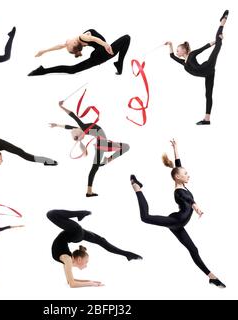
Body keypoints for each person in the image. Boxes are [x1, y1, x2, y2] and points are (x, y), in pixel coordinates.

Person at [130, 139, 226, 288]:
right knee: (145, 217)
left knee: (193, 250)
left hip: (178, 224)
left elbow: (179, 167)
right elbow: (186, 198)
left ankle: (211, 277)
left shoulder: (182, 183)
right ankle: (137, 187)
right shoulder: (179, 191)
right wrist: (196, 206)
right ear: (178, 177)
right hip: (175, 221)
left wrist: (176, 149)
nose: (188, 175)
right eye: (186, 174)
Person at [49, 101, 130, 197]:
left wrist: (57, 124)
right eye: (75, 133)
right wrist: (61, 107)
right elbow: (72, 115)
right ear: (79, 134)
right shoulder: (83, 128)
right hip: (102, 144)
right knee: (94, 168)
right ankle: (89, 191)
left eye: (74, 131)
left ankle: (107, 161)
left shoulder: (81, 128)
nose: (74, 129)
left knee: (126, 147)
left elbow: (68, 126)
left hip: (104, 143)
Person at [47, 209, 142, 288]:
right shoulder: (67, 260)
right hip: (75, 234)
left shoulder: (67, 260)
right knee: (101, 241)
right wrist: (91, 282)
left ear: (79, 259)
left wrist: (91, 283)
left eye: (86, 262)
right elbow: (71, 281)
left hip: (74, 233)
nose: (86, 265)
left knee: (51, 214)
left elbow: (71, 283)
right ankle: (127, 254)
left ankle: (79, 214)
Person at [165, 10, 229, 125]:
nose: (177, 52)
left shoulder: (192, 54)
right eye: (177, 51)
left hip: (208, 66)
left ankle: (222, 22)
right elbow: (171, 56)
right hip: (208, 74)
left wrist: (216, 41)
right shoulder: (183, 62)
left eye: (178, 50)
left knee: (218, 44)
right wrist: (170, 45)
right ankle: (207, 119)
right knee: (208, 94)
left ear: (184, 50)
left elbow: (204, 47)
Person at [28, 29, 130, 76]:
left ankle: (42, 71)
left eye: (66, 45)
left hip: (102, 53)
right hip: (104, 53)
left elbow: (60, 46)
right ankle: (119, 63)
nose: (65, 43)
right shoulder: (80, 37)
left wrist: (44, 51)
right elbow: (94, 39)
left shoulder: (79, 40)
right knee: (127, 38)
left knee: (72, 70)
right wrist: (105, 45)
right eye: (67, 45)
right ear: (74, 43)